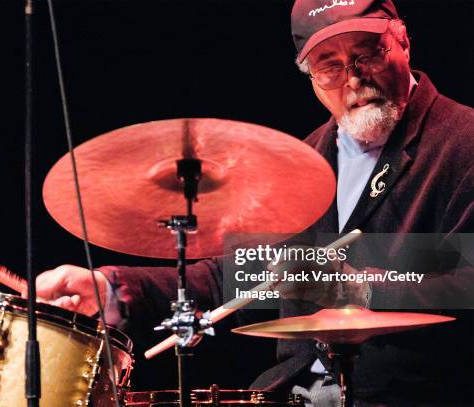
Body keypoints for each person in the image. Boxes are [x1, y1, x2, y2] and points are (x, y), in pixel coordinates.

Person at [32, 0, 474, 405]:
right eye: (330, 66)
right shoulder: (306, 162)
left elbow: (466, 281)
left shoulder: (462, 142)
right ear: (311, 78)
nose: (355, 78)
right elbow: (235, 274)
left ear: (403, 42)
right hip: (295, 391)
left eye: (368, 53)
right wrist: (113, 288)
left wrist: (360, 288)